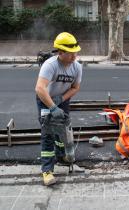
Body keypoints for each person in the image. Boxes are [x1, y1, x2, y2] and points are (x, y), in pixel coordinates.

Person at [35, 32, 82, 186]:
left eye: (76, 52)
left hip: (62, 101)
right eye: (71, 53)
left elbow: (75, 87)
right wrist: (52, 106)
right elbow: (40, 89)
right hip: (46, 101)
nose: (74, 56)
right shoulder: (50, 65)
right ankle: (47, 170)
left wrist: (61, 99)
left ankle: (62, 156)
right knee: (48, 134)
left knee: (63, 132)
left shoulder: (77, 67)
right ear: (60, 52)